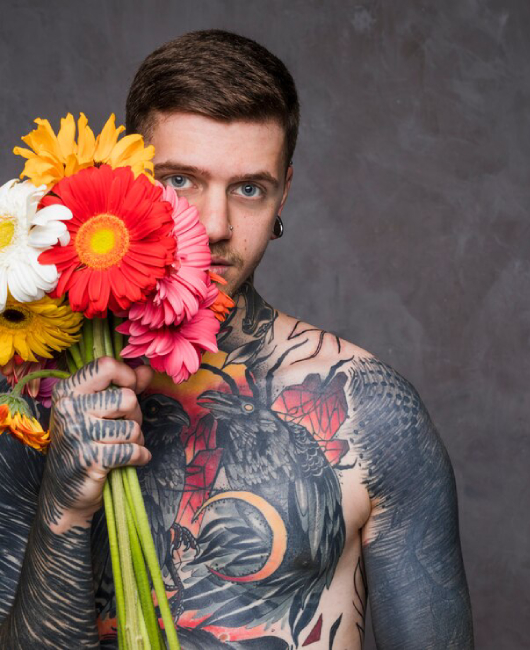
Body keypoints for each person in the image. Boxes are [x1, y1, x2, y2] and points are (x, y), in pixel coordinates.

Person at [0, 29, 474, 649]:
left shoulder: (371, 413)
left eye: (249, 188)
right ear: (127, 179)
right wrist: (65, 509)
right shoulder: (30, 400)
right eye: (180, 181)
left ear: (284, 192)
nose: (217, 226)